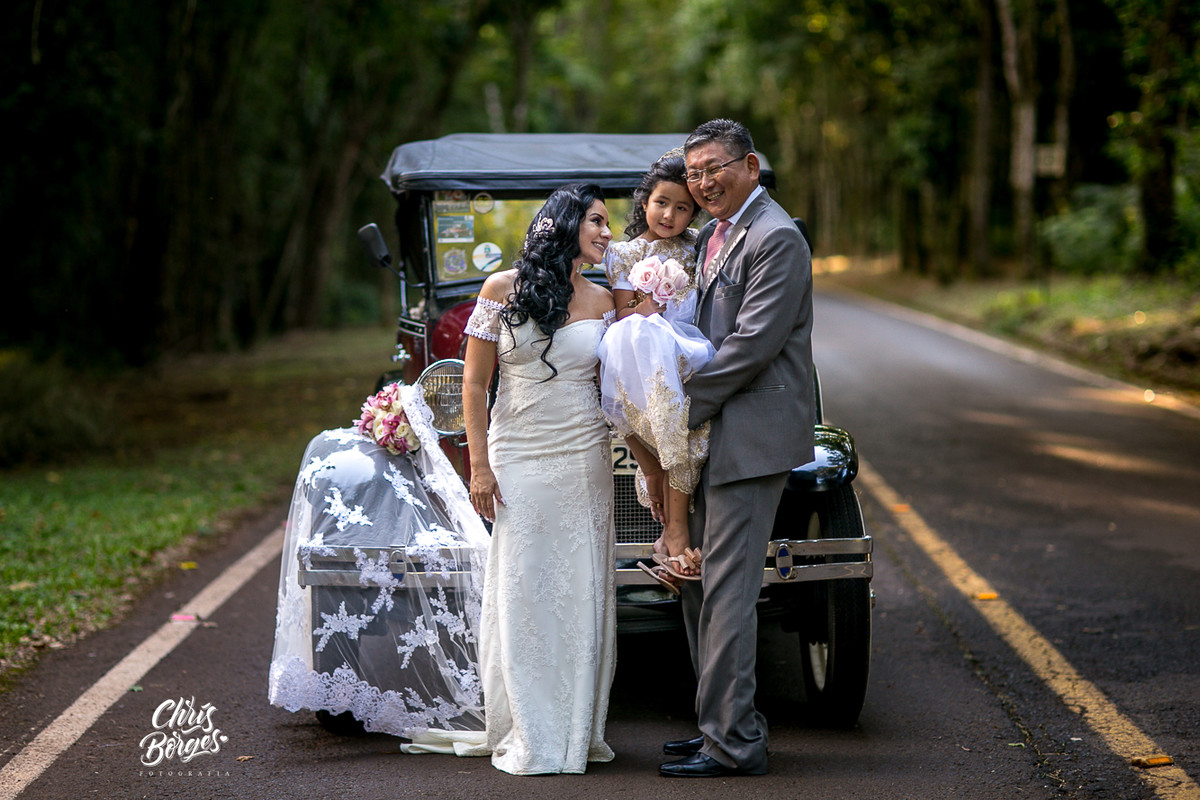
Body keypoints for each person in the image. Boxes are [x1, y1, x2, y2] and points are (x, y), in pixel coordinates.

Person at [658, 119, 816, 778]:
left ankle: (734, 744)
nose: (701, 183)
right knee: (697, 583)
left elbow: (751, 345)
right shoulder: (714, 234)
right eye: (693, 173)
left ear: (750, 165)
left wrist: (674, 409)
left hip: (749, 434)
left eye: (713, 168)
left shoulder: (776, 237)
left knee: (726, 590)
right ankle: (719, 725)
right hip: (712, 433)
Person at [461, 183, 618, 775]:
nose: (607, 232)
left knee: (580, 588)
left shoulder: (605, 300)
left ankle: (575, 731)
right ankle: (528, 727)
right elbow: (475, 383)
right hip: (518, 454)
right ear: (567, 224)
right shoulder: (500, 289)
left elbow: (621, 384)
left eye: (609, 223)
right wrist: (480, 466)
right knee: (524, 586)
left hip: (583, 455)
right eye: (597, 221)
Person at [596, 153, 712, 588]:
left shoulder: (698, 245)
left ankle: (672, 538)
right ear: (645, 202)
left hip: (688, 348)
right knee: (669, 421)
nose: (669, 215)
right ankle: (673, 536)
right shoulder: (624, 253)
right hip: (641, 356)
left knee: (692, 429)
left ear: (693, 214)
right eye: (662, 203)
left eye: (682, 208)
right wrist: (653, 301)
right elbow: (625, 315)